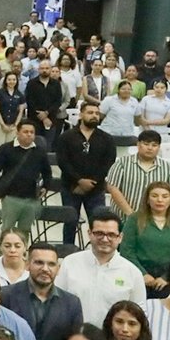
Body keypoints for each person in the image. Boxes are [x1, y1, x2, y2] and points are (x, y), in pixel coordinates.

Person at [2, 242, 84, 340]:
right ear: (27, 265)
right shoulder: (5, 296)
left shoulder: (72, 303)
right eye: (39, 263)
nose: (45, 269)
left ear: (58, 268)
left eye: (51, 264)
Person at [56, 101, 118, 244]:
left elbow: (108, 163)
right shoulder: (66, 137)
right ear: (81, 114)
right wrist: (79, 181)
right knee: (70, 223)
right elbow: (63, 162)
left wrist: (92, 182)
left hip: (96, 189)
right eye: (90, 113)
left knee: (99, 224)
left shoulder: (107, 139)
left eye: (97, 113)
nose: (94, 116)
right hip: (71, 187)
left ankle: (98, 250)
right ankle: (68, 251)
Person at [121, 181, 170, 298]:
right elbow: (126, 251)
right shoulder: (134, 219)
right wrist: (142, 274)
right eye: (154, 196)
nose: (159, 200)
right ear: (147, 199)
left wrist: (167, 277)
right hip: (137, 275)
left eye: (165, 196)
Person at [0, 122, 52, 236]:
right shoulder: (5, 149)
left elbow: (47, 172)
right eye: (25, 132)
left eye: (32, 132)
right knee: (7, 230)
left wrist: (46, 186)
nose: (29, 134)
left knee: (25, 232)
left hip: (31, 198)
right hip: (11, 197)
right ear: (17, 133)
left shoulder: (40, 151)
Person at [107, 130, 170, 218]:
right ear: (138, 145)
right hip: (121, 218)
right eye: (146, 144)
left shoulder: (168, 168)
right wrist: (130, 214)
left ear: (159, 147)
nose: (150, 148)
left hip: (153, 220)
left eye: (154, 145)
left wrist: (159, 212)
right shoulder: (122, 163)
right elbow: (113, 187)